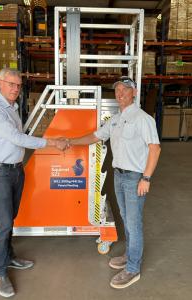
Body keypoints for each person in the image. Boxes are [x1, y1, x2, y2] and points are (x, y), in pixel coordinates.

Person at [64, 77, 161, 289]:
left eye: (125, 90)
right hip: (119, 176)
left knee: (134, 224)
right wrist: (70, 142)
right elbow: (96, 136)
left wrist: (146, 178)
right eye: (117, 91)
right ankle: (129, 255)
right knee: (126, 219)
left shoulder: (143, 119)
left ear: (134, 93)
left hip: (135, 178)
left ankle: (133, 269)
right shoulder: (116, 119)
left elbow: (155, 149)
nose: (120, 94)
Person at [0, 68, 67, 298]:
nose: (15, 89)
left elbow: (19, 138)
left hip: (16, 170)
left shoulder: (14, 108)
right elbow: (17, 138)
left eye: (18, 85)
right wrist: (52, 143)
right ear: (0, 83)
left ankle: (9, 257)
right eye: (11, 84)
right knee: (4, 221)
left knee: (12, 217)